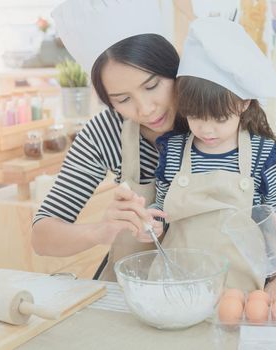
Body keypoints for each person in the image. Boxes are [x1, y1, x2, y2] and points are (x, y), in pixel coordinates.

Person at [32, 0, 188, 281]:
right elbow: (42, 236)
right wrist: (100, 230)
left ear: (173, 68)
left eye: (152, 86)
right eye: (123, 99)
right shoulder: (105, 133)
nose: (145, 109)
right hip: (135, 291)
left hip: (215, 284)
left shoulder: (215, 112)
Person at [154, 17, 276, 291]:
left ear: (244, 103)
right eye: (195, 116)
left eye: (220, 118)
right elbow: (162, 210)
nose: (207, 129)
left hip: (240, 290)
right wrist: (150, 221)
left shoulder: (264, 154)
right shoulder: (174, 150)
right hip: (177, 286)